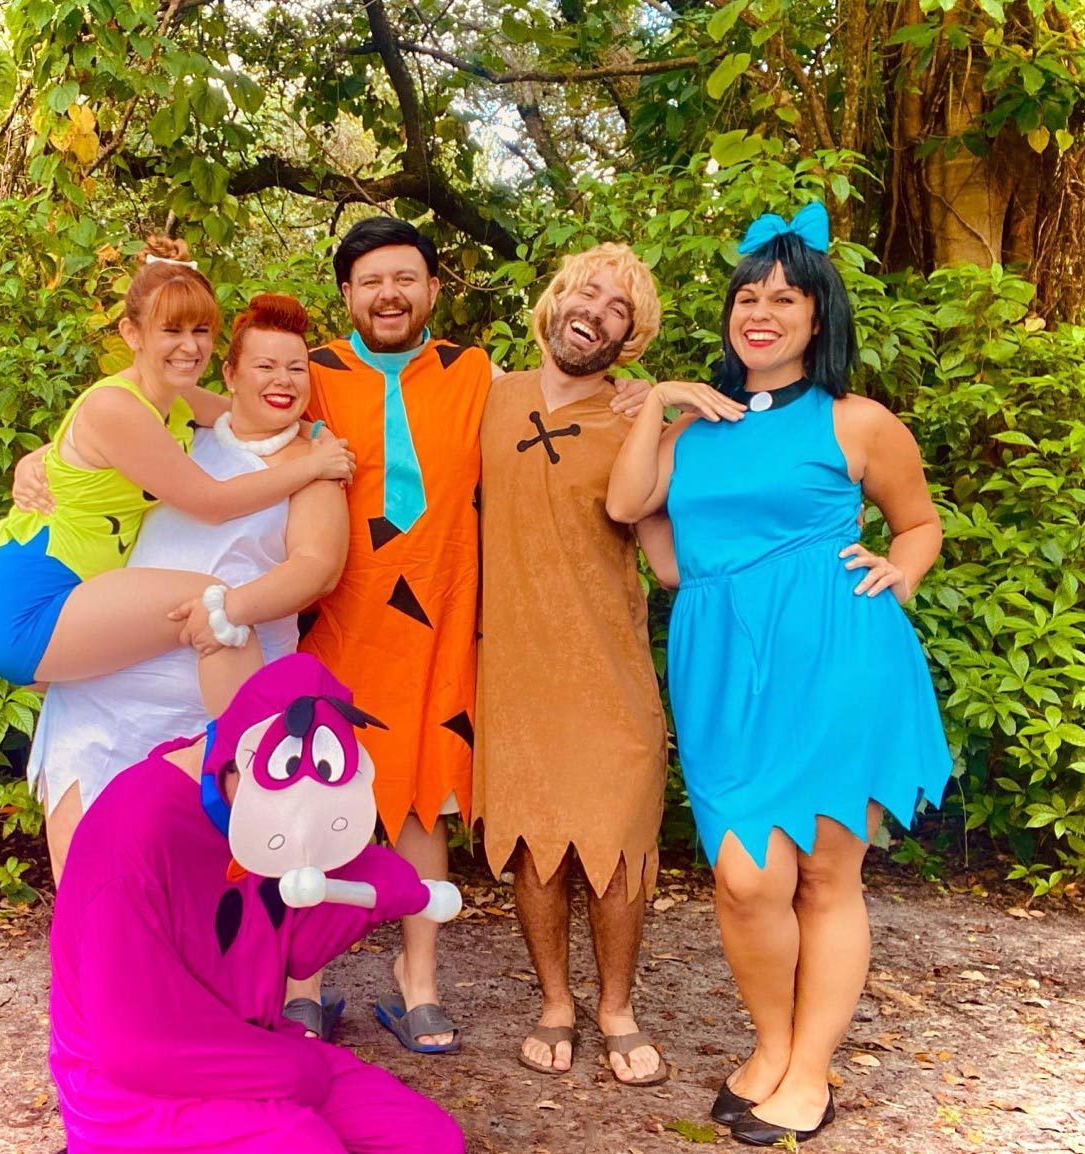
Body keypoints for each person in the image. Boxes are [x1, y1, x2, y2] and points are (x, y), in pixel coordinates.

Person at [607, 202, 952, 1144]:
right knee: (746, 878)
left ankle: (806, 1069)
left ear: (817, 317)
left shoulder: (857, 421)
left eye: (785, 299)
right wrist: (670, 396)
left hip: (837, 658)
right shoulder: (694, 434)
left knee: (827, 875)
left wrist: (901, 571)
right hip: (720, 668)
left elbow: (918, 522)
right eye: (748, 296)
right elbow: (632, 507)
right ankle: (770, 1043)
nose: (762, 312)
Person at [301, 219, 648, 1052]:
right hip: (334, 620)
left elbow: (580, 409)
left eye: (407, 278)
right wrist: (58, 455)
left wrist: (650, 398)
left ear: (432, 290)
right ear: (347, 294)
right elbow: (229, 416)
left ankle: (416, 981)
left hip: (441, 621)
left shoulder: (475, 377)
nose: (390, 293)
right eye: (372, 280)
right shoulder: (309, 375)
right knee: (314, 796)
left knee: (426, 798)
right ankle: (299, 983)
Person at [473, 243, 739, 1086]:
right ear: (555, 302)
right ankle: (556, 1002)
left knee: (619, 846)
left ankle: (615, 1006)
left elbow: (665, 560)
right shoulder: (486, 395)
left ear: (629, 339)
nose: (597, 309)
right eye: (586, 291)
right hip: (511, 668)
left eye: (618, 308)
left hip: (607, 671)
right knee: (533, 844)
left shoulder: (636, 421)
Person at [49, 652, 465, 1154]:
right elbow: (133, 1049)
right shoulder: (131, 833)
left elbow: (295, 948)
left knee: (428, 1141)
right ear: (234, 759)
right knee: (303, 1145)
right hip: (135, 1090)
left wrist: (375, 889)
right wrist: (294, 1069)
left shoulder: (279, 809)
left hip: (256, 1044)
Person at [23, 293, 350, 883]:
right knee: (88, 880)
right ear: (229, 374)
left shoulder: (316, 464)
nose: (282, 380)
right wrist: (37, 458)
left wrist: (229, 608)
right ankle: (90, 976)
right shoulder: (182, 433)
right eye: (265, 366)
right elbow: (93, 447)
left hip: (215, 691)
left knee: (204, 883)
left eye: (297, 367)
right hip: (107, 688)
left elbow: (316, 567)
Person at [0, 236, 351, 727]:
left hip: (82, 591)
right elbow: (210, 502)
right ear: (132, 333)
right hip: (31, 600)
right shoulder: (116, 406)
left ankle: (232, 769)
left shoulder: (180, 401)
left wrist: (316, 433)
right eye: (172, 329)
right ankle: (256, 766)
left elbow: (251, 409)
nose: (190, 347)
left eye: (201, 330)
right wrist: (314, 465)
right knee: (218, 604)